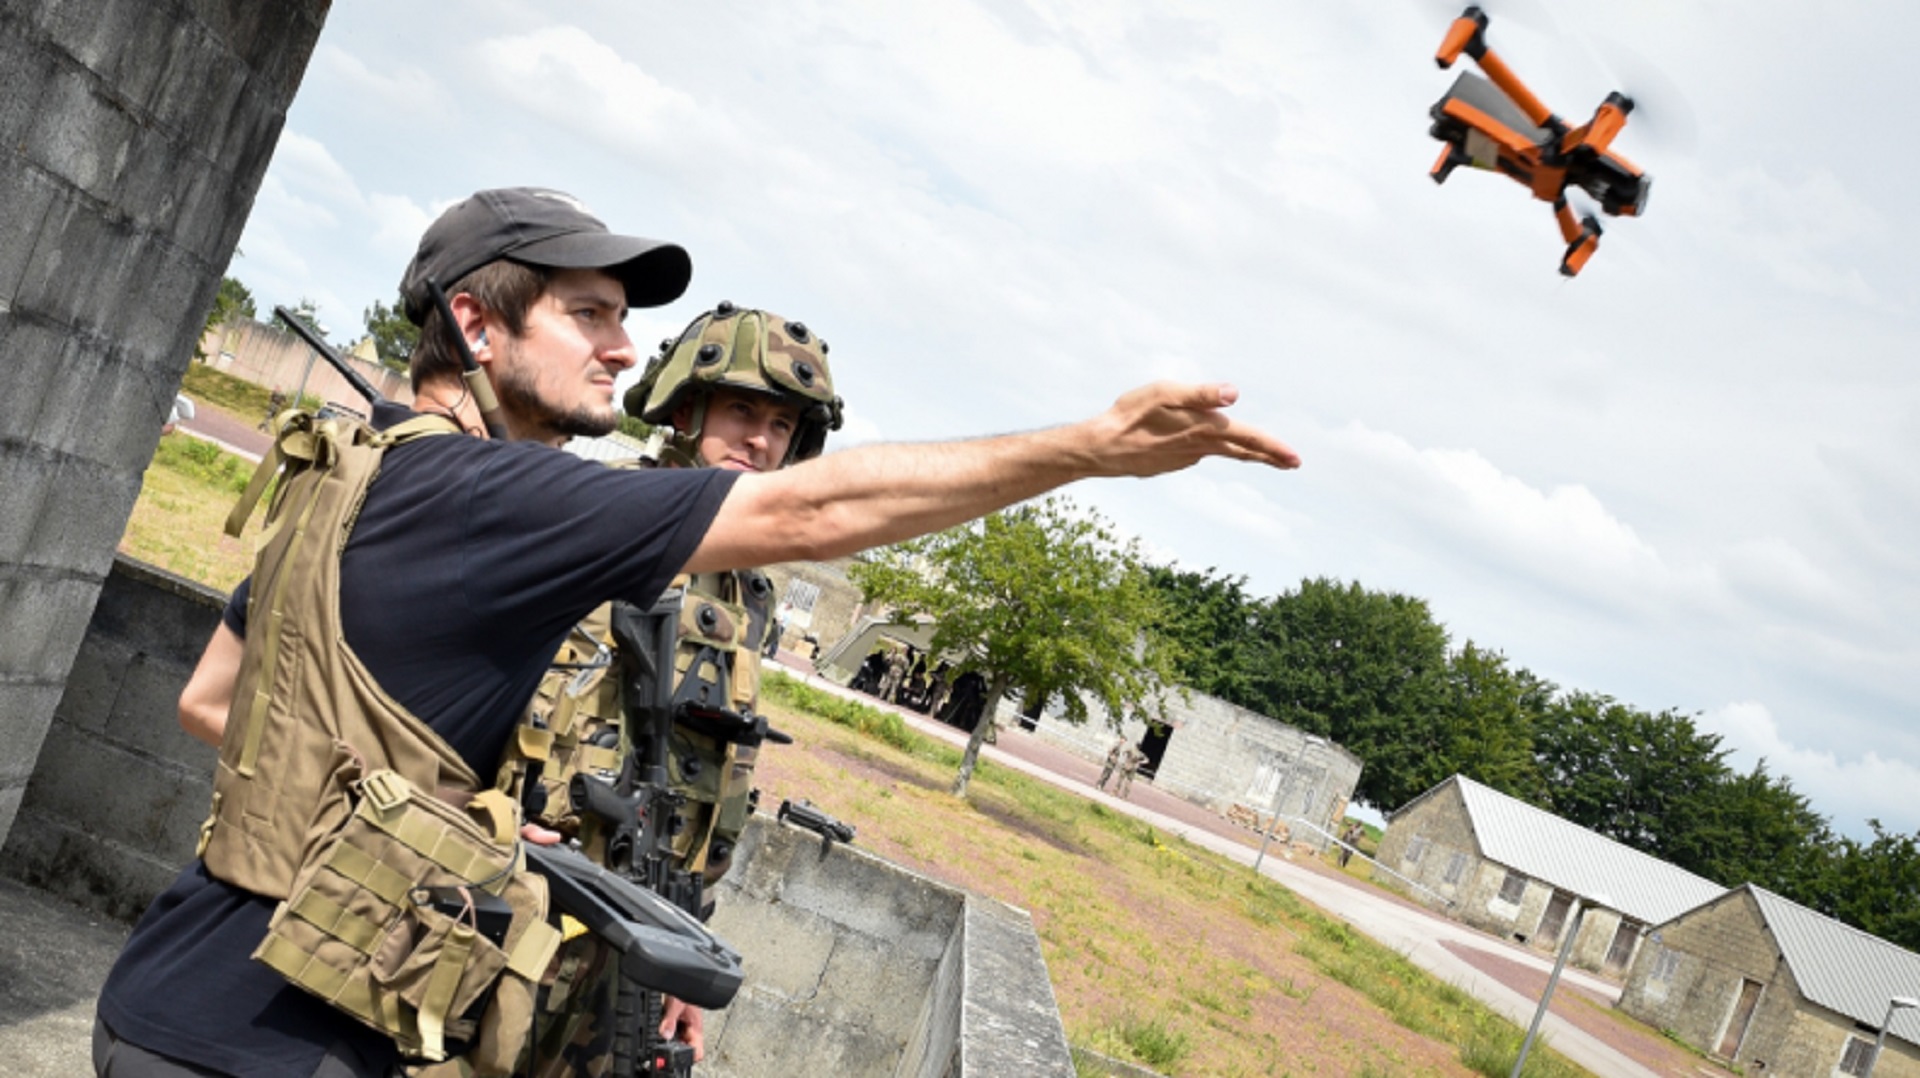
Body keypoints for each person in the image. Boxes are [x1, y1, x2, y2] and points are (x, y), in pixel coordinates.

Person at [97, 185, 1299, 1078]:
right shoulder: (497, 497)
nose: (623, 344)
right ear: (476, 321)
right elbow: (819, 513)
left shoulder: (361, 472)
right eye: (588, 314)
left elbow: (214, 698)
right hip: (267, 1046)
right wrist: (1085, 449)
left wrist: (423, 829)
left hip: (192, 991)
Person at [503, 301, 845, 1074]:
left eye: (784, 426)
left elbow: (709, 776)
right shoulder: (592, 510)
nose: (761, 439)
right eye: (742, 410)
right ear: (686, 406)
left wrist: (688, 947)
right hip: (527, 881)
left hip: (640, 923)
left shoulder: (745, 589)